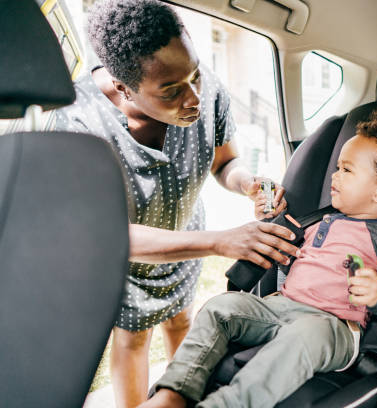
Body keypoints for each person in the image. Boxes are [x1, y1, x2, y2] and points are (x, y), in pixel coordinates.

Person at [54, 1, 299, 407]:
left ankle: (180, 397)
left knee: (182, 319)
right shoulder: (78, 122)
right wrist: (221, 242)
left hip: (187, 236)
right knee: (133, 338)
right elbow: (105, 234)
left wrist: (246, 183)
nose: (195, 97)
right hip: (124, 260)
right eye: (171, 91)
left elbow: (225, 161)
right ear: (124, 87)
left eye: (196, 75)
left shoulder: (206, 90)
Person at [138, 106, 377, 408]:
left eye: (347, 170)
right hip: (278, 307)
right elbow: (284, 247)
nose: (335, 175)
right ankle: (173, 392)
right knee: (220, 307)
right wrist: (271, 214)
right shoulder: (322, 219)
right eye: (337, 167)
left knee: (306, 333)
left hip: (333, 325)